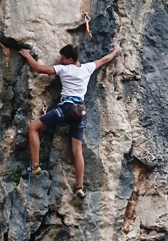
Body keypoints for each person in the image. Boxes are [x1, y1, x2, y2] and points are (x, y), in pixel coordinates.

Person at [19, 42, 122, 199]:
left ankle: (34, 165)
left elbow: (39, 69)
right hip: (79, 111)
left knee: (32, 128)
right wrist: (116, 51)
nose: (60, 60)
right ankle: (80, 187)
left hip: (66, 109)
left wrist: (27, 56)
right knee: (77, 150)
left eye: (62, 58)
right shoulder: (87, 68)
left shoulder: (64, 69)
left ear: (69, 60)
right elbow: (104, 60)